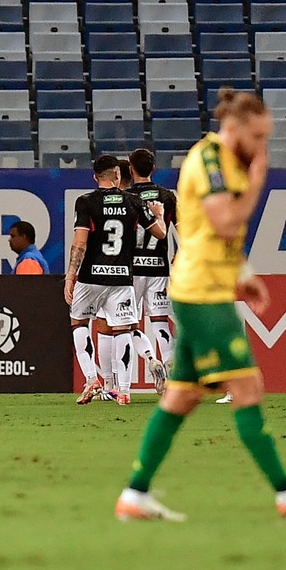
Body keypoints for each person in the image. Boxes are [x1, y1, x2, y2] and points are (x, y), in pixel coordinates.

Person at [115, 88, 286, 521]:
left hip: (206, 285)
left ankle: (135, 494)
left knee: (180, 397)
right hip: (202, 293)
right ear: (234, 128)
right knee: (247, 387)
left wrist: (244, 274)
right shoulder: (211, 160)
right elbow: (224, 220)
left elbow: (212, 233)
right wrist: (257, 182)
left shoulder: (226, 160)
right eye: (258, 137)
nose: (263, 148)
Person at [65, 155, 165, 406]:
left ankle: (92, 379)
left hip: (91, 276)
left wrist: (70, 276)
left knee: (80, 322)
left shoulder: (85, 202)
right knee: (123, 330)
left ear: (95, 176)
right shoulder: (134, 201)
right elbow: (160, 234)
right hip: (122, 277)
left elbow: (80, 244)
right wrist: (159, 214)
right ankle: (124, 391)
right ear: (118, 175)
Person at [124, 150, 178, 395]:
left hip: (132, 268)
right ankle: (170, 363)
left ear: (131, 169)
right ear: (153, 168)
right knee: (160, 321)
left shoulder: (127, 197)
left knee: (130, 323)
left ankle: (150, 359)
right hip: (159, 267)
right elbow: (182, 229)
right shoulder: (167, 196)